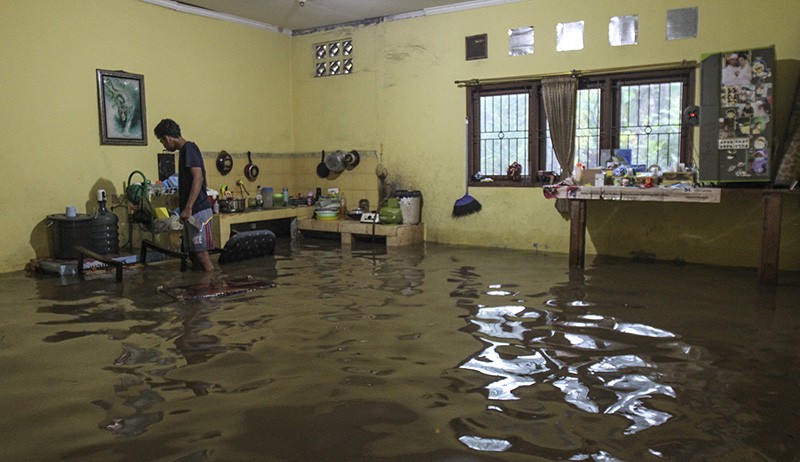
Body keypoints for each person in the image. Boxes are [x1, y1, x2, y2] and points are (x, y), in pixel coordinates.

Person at [154, 119, 215, 271]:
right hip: (192, 211)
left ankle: (213, 285)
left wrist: (188, 207)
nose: (164, 146)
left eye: (162, 142)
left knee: (201, 253)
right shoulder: (184, 151)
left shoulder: (189, 149)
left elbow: (198, 177)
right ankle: (200, 287)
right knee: (193, 254)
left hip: (198, 211)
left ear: (167, 138)